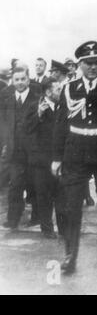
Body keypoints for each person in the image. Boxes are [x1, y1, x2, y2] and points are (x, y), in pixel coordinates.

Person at [52, 41, 97, 274]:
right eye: (88, 63)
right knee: (72, 206)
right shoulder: (69, 88)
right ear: (80, 64)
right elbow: (61, 124)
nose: (93, 67)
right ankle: (70, 254)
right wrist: (57, 157)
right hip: (76, 153)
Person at [24, 77, 66, 238]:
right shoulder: (34, 106)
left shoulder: (64, 106)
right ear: (48, 92)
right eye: (58, 89)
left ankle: (63, 229)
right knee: (44, 197)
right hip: (41, 161)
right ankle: (47, 230)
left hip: (59, 159)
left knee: (62, 196)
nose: (60, 92)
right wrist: (39, 115)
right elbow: (26, 129)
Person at [0, 67, 41, 230]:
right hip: (15, 151)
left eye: (23, 79)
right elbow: (4, 124)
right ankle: (13, 219)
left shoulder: (37, 98)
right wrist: (5, 144)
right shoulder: (8, 100)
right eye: (16, 80)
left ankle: (37, 217)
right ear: (12, 81)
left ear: (28, 79)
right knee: (15, 185)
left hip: (33, 151)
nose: (20, 83)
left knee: (34, 185)